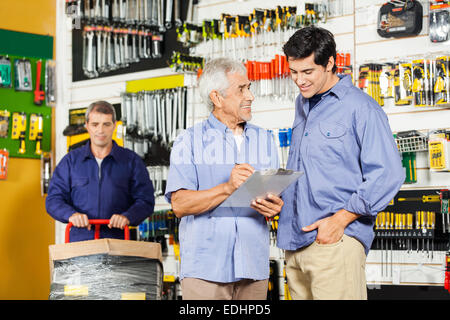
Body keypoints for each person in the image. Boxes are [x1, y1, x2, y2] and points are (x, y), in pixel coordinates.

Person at [278, 26, 405, 300]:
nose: (299, 80)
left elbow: (389, 174)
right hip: (295, 244)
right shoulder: (303, 105)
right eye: (294, 72)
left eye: (307, 72)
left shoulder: (361, 108)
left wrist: (340, 221)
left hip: (335, 242)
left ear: (330, 64)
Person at [164, 57, 284, 300]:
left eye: (249, 88)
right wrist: (228, 187)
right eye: (242, 89)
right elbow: (180, 205)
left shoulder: (265, 139)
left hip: (253, 266)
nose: (250, 96)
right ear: (216, 98)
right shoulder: (189, 141)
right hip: (206, 270)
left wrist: (274, 207)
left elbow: (271, 199)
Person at [46, 101, 155, 242]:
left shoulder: (131, 161)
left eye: (106, 124)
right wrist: (71, 215)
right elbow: (53, 199)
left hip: (118, 244)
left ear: (114, 125)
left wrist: (127, 216)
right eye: (95, 124)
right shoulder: (70, 161)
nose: (101, 130)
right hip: (80, 245)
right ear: (87, 125)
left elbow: (145, 201)